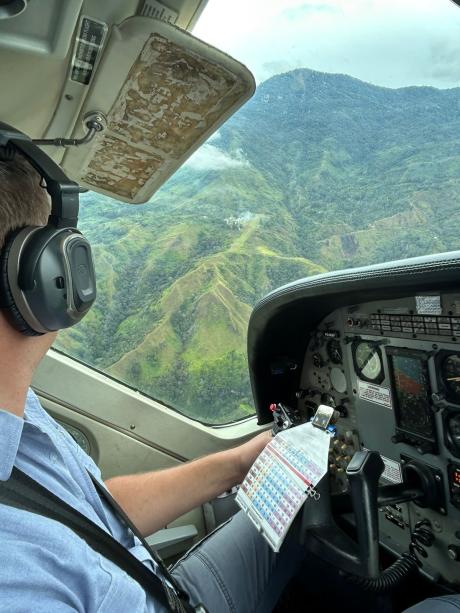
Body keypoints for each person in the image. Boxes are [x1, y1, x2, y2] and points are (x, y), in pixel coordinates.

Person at [0, 153, 307, 612]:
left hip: (160, 586)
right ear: (44, 280)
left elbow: (89, 515)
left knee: (303, 510)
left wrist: (239, 463)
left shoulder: (16, 407)